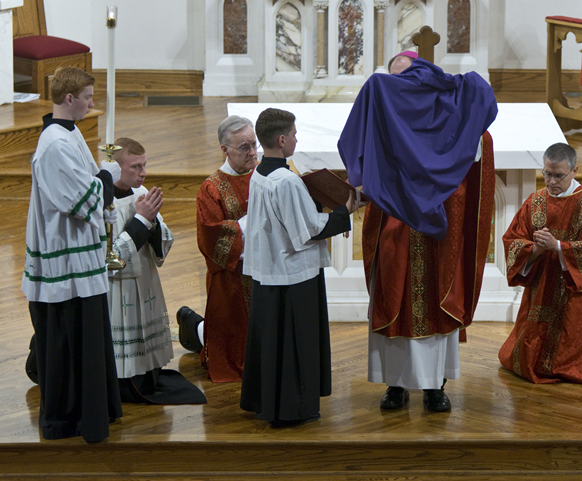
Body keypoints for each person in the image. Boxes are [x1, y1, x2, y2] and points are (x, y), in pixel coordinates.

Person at [338, 56, 497, 412]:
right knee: (392, 295)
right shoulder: (384, 118)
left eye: (406, 81)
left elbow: (478, 141)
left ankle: (434, 386)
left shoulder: (450, 119)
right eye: (395, 82)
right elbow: (357, 154)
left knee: (437, 300)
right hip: (395, 227)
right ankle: (394, 385)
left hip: (439, 232)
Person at [22, 66, 123, 443]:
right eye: (88, 98)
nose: (92, 104)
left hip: (78, 255)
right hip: (65, 259)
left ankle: (94, 410)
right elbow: (83, 200)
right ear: (70, 99)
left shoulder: (70, 132)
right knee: (67, 339)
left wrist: (103, 175)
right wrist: (108, 176)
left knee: (86, 338)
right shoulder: (55, 145)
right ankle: (66, 419)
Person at [239, 108, 358, 425]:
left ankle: (270, 400)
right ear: (281, 139)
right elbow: (307, 230)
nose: (296, 139)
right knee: (294, 342)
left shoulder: (261, 174)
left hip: (271, 270)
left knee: (273, 340)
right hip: (293, 274)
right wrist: (344, 210)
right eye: (293, 134)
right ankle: (291, 407)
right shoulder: (287, 181)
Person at [498, 143, 582, 385]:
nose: (551, 181)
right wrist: (534, 249)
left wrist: (559, 247)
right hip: (541, 287)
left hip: (574, 293)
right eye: (547, 174)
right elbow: (512, 240)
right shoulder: (534, 202)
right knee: (524, 360)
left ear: (574, 171)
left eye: (558, 176)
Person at [107, 138, 205, 404]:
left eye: (145, 165)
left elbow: (163, 243)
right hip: (118, 289)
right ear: (116, 168)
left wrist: (151, 221)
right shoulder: (104, 205)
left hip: (147, 280)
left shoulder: (143, 194)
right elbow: (110, 261)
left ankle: (148, 373)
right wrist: (140, 219)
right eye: (135, 167)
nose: (143, 173)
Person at [178, 115, 257, 382]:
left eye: (254, 145)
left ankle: (193, 325)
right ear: (225, 149)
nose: (253, 153)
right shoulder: (211, 188)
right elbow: (212, 236)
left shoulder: (264, 175)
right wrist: (251, 223)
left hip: (265, 271)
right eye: (244, 148)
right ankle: (192, 326)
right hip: (232, 276)